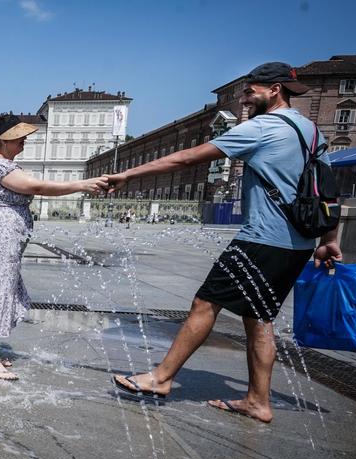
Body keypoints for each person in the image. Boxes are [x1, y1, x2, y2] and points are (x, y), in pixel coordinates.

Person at [108, 62, 342, 423]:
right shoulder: (311, 132)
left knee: (205, 303)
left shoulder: (261, 128)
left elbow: (187, 157)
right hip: (297, 246)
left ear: (274, 90)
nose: (245, 99)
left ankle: (161, 378)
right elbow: (328, 188)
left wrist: (127, 174)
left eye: (250, 91)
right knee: (259, 319)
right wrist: (329, 239)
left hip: (261, 240)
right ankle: (257, 401)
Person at [0, 114, 108, 380]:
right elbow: (36, 186)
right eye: (19, 136)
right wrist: (81, 184)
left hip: (4, 234)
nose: (24, 140)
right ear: (4, 140)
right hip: (1, 235)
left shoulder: (7, 165)